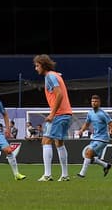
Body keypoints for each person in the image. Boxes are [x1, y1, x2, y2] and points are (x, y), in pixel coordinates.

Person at [35, 53, 73, 181]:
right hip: (67, 114)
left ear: (43, 65)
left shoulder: (50, 76)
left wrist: (52, 114)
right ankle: (65, 175)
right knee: (59, 143)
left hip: (59, 114)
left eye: (37, 65)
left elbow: (59, 95)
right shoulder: (56, 75)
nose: (36, 68)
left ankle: (47, 175)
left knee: (45, 141)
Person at [77, 94, 112, 178]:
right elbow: (87, 124)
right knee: (89, 157)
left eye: (96, 101)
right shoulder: (90, 113)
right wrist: (81, 130)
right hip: (95, 138)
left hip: (102, 139)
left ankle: (82, 174)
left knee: (88, 152)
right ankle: (106, 165)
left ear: (99, 103)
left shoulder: (103, 114)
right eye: (92, 101)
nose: (94, 103)